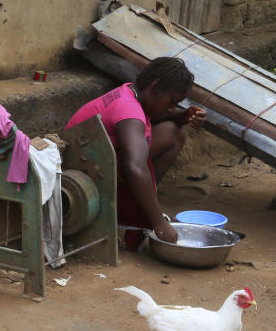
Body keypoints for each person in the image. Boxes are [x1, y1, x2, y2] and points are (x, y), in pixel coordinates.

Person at [64, 56, 205, 249]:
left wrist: (182, 117)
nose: (171, 107)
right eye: (171, 101)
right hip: (83, 175)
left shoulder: (130, 92)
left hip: (92, 160)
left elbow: (159, 116)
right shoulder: (129, 112)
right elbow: (135, 168)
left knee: (173, 133)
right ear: (155, 85)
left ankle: (142, 211)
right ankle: (136, 217)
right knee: (142, 163)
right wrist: (159, 223)